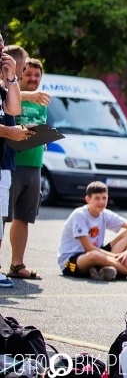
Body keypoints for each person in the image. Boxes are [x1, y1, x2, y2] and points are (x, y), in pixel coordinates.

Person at [6, 58, 48, 281]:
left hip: (35, 165)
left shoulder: (42, 101)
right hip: (13, 164)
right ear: (20, 75)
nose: (33, 79)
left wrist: (44, 138)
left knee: (24, 217)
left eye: (37, 75)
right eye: (28, 74)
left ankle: (17, 265)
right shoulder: (13, 94)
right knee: (3, 217)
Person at [57, 182, 127, 281]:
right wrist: (117, 257)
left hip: (98, 254)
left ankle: (100, 270)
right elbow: (88, 248)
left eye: (104, 198)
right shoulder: (79, 215)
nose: (101, 202)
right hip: (72, 261)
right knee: (95, 255)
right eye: (97, 198)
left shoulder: (104, 214)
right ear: (88, 199)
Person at [0, 41, 31, 289]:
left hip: (3, 162)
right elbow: (9, 125)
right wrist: (10, 132)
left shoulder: (4, 82)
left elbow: (14, 108)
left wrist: (11, 78)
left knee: (0, 218)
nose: (2, 49)